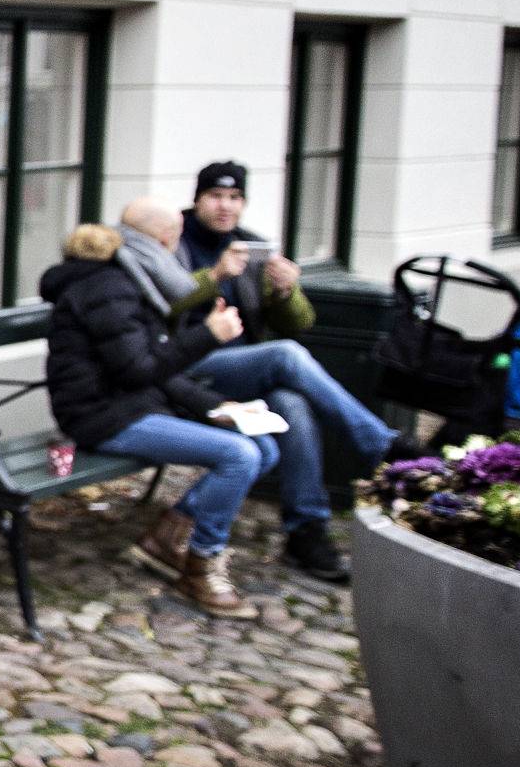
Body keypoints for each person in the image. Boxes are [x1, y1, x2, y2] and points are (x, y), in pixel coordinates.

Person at [166, 164, 417, 581]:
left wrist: (287, 290)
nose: (225, 206)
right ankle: (380, 444)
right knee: (285, 356)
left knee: (291, 404)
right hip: (183, 369)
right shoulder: (174, 241)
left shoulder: (251, 247)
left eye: (234, 198)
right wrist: (214, 277)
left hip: (242, 370)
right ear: (197, 199)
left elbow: (298, 323)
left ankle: (306, 530)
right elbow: (158, 303)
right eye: (215, 196)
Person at [42, 222, 275, 619]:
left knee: (263, 445)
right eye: (174, 238)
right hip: (101, 417)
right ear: (162, 242)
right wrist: (207, 336)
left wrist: (216, 407)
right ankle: (201, 566)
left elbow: (155, 369)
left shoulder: (130, 284)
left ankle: (169, 535)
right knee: (239, 455)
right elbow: (139, 369)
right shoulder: (107, 290)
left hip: (133, 405)